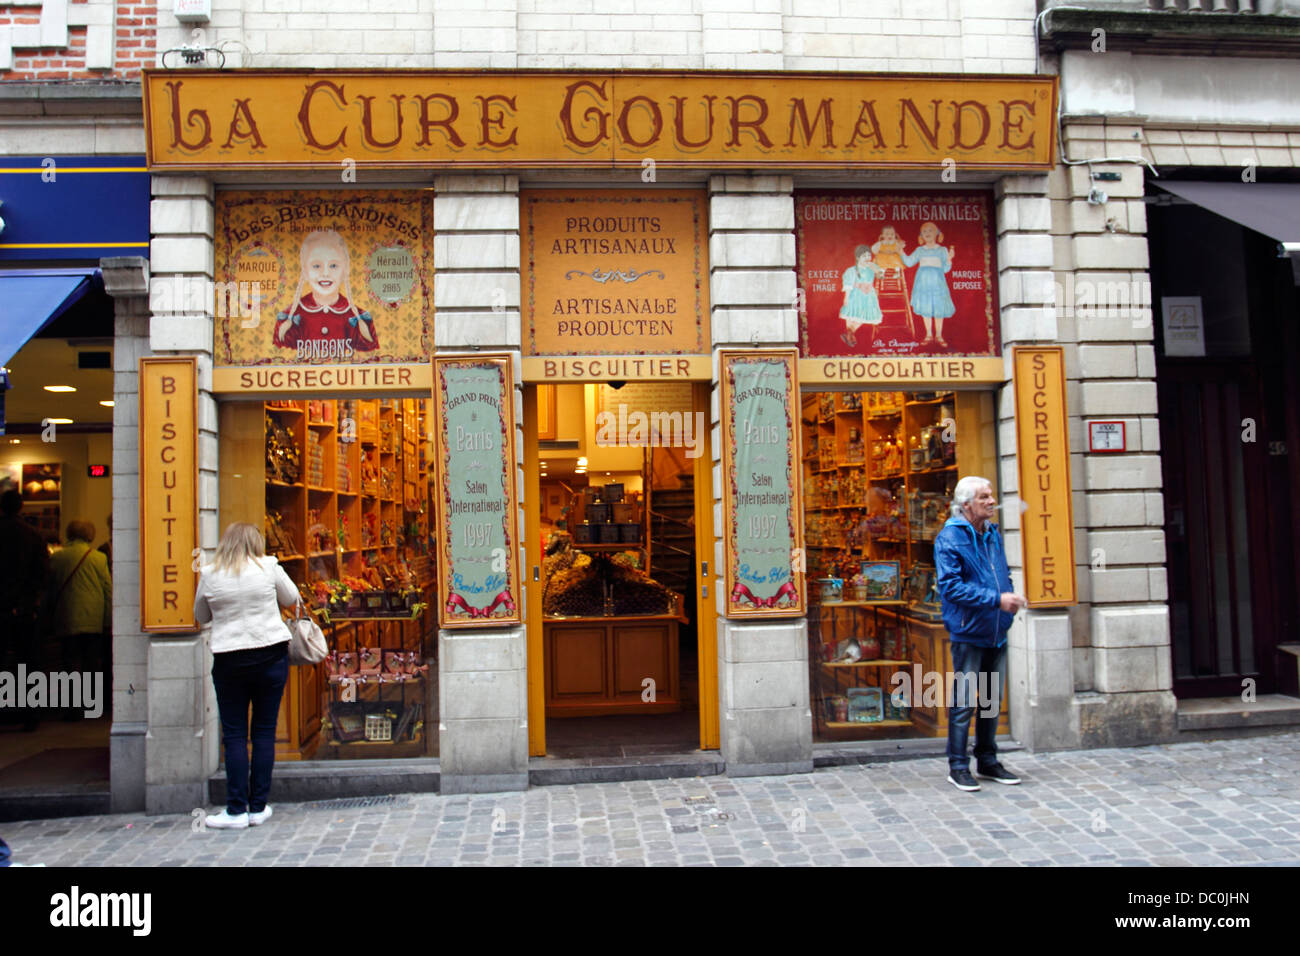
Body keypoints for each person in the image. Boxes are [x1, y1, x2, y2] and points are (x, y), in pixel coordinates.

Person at [193, 522, 300, 829]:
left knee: (235, 734)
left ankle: (236, 809)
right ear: (256, 543)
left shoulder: (210, 573)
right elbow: (291, 597)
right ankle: (258, 806)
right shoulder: (268, 566)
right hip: (269, 654)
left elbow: (200, 615)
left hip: (230, 659)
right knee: (264, 732)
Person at [934, 476, 1026, 792]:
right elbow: (950, 587)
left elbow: (1002, 571)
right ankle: (958, 765)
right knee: (964, 701)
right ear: (966, 505)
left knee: (991, 700)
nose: (991, 501)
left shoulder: (992, 534)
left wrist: (1008, 593)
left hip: (996, 629)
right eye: (984, 497)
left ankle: (987, 760)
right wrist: (996, 600)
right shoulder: (950, 538)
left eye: (991, 496)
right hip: (969, 630)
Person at [273, 229, 378, 359]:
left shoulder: (361, 321)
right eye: (316, 266)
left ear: (345, 270)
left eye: (333, 266)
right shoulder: (288, 320)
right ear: (305, 271)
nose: (325, 273)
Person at [47, 520, 112, 718]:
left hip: (66, 615)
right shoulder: (98, 558)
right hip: (92, 617)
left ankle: (72, 706)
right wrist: (109, 620)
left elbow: (50, 588)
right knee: (90, 663)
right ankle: (91, 704)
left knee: (69, 663)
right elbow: (108, 590)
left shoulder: (57, 558)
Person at [0, 490, 50, 729]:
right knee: (28, 662)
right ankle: (30, 714)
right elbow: (42, 574)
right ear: (21, 507)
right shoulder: (35, 535)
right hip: (24, 607)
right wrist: (32, 600)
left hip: (2, 606)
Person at [900, 221, 957, 348]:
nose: (927, 233)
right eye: (924, 231)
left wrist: (949, 259)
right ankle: (929, 334)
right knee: (926, 309)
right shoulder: (920, 250)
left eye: (930, 230)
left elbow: (946, 269)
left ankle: (939, 335)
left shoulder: (942, 250)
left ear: (937, 233)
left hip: (938, 285)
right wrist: (901, 251)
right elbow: (909, 262)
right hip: (923, 285)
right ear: (921, 235)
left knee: (938, 309)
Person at [837, 245, 884, 349]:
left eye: (869, 255)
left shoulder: (872, 268)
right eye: (864, 256)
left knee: (865, 314)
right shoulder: (852, 270)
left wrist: (876, 269)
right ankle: (850, 334)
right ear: (858, 257)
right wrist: (846, 297)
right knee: (852, 313)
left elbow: (881, 277)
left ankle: (849, 333)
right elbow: (848, 284)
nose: (867, 258)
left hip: (869, 296)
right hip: (856, 294)